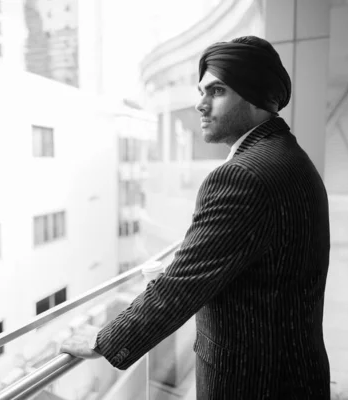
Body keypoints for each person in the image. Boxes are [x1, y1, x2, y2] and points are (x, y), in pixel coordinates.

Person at [61, 35, 331, 399]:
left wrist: (103, 340)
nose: (199, 105)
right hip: (296, 370)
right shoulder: (291, 157)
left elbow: (183, 285)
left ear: (254, 95)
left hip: (255, 383)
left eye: (216, 91)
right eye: (201, 92)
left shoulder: (243, 176)